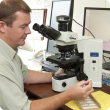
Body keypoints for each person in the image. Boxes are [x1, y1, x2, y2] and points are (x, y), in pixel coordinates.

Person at [0, 0, 94, 110]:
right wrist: (69, 95)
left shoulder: (9, 51)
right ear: (2, 26)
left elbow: (24, 74)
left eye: (29, 25)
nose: (29, 31)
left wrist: (55, 76)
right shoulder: (1, 62)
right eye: (23, 26)